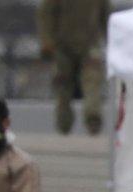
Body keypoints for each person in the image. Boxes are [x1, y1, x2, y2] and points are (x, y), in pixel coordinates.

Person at [38, 0, 110, 135]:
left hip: (88, 44)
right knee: (64, 84)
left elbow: (106, 16)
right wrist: (47, 41)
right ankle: (64, 120)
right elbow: (46, 14)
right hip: (63, 46)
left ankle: (91, 117)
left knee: (91, 80)